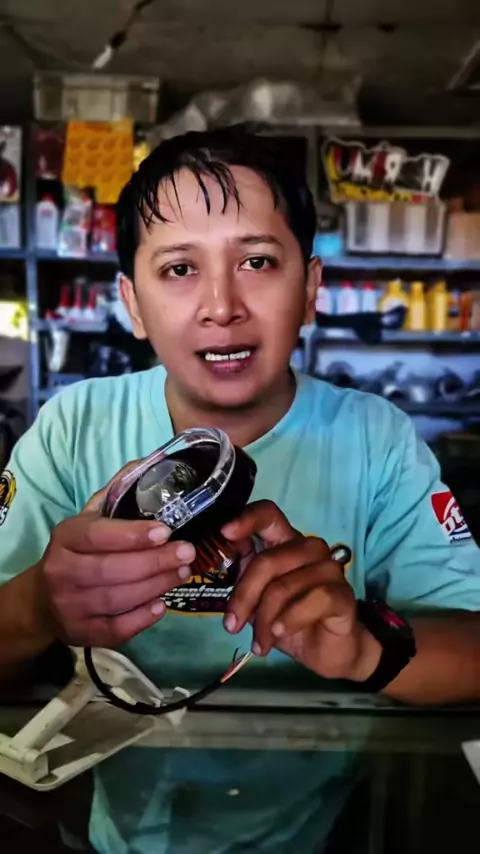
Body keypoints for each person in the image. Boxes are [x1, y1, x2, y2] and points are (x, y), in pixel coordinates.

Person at [1, 127, 480, 854]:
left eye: (257, 261)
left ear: (310, 288)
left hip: (314, 833)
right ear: (132, 302)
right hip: (113, 830)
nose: (221, 305)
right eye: (179, 268)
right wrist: (39, 602)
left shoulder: (375, 439)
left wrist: (364, 645)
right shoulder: (75, 426)